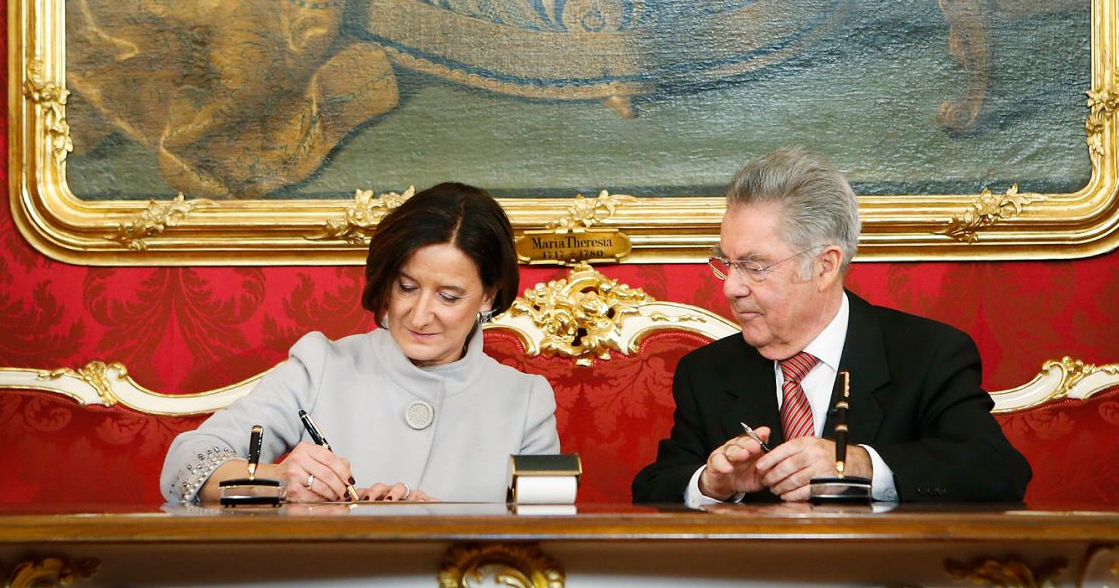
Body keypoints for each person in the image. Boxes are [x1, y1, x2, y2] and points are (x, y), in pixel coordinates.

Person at [632, 147, 1030, 504]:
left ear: (824, 266)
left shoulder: (928, 354)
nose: (732, 288)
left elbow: (996, 470)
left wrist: (859, 464)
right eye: (727, 265)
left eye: (755, 267)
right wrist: (711, 485)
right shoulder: (706, 372)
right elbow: (655, 488)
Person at [161, 183, 559, 504]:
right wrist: (280, 481)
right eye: (407, 287)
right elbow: (184, 465)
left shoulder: (526, 402)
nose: (419, 316)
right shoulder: (320, 366)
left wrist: (440, 526)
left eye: (448, 297)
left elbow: (546, 537)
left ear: (488, 296)